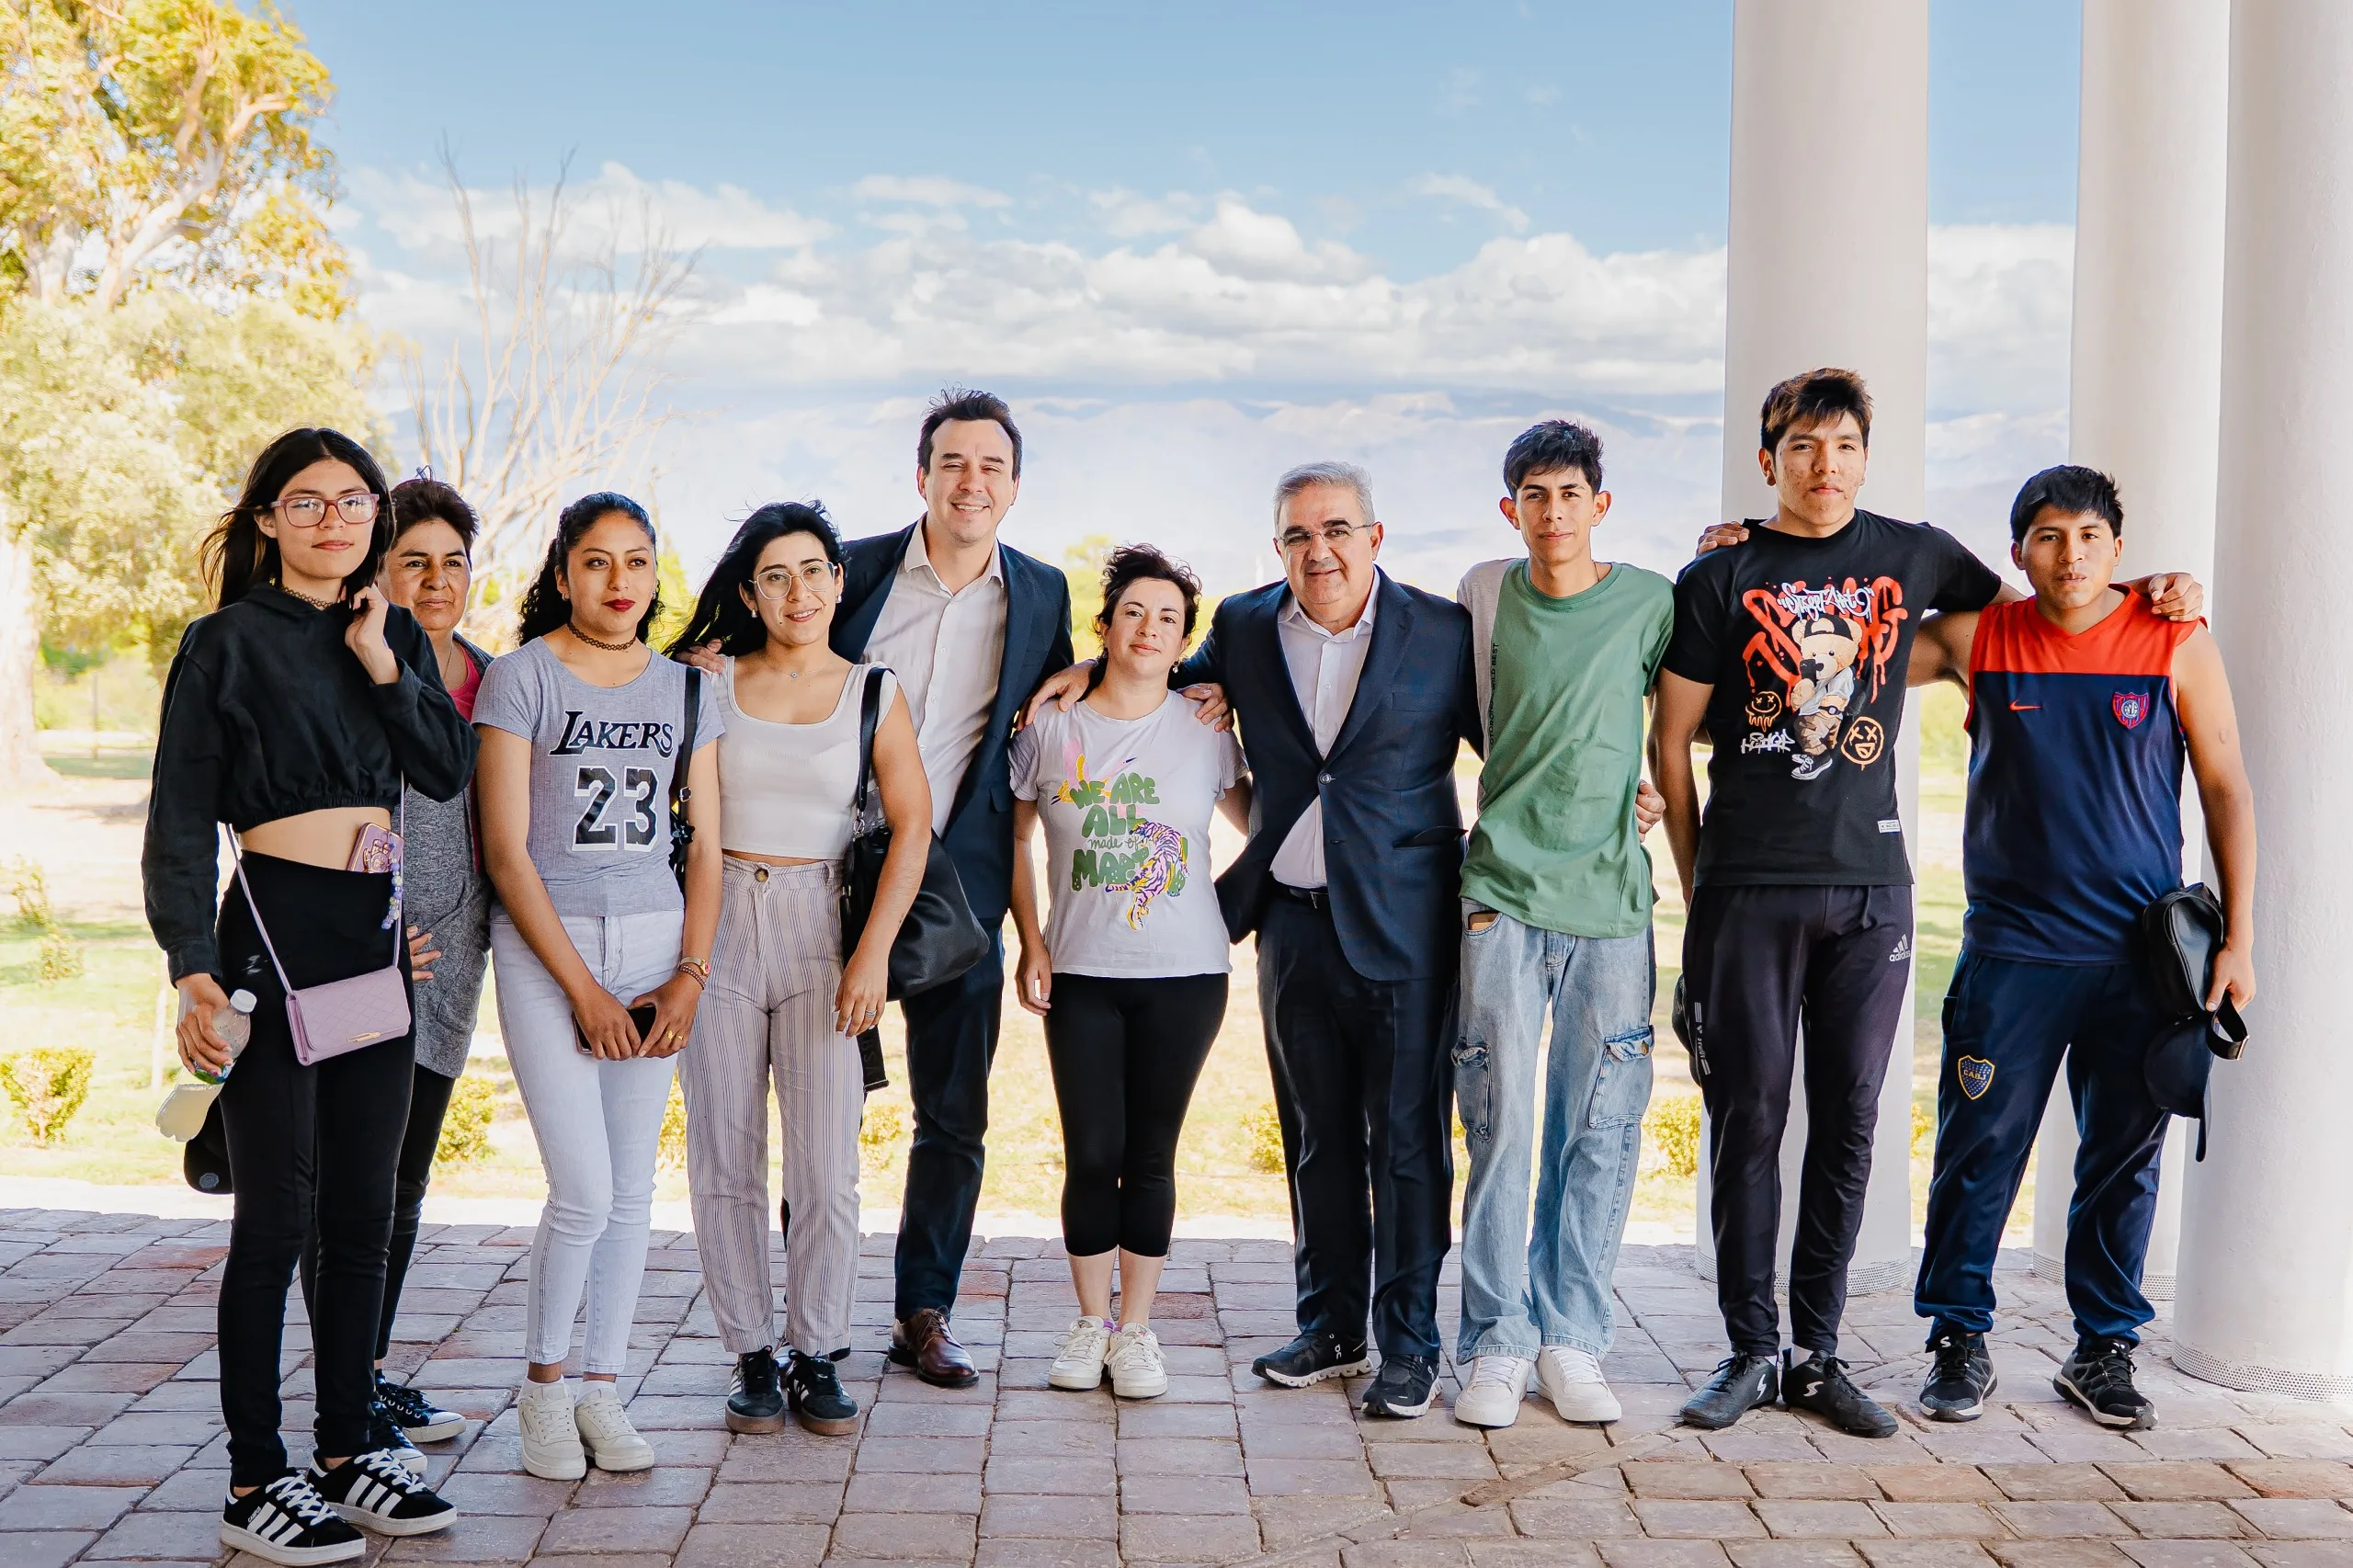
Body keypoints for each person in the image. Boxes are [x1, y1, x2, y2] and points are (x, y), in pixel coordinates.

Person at [1651, 368, 2204, 1438]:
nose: (1824, 464)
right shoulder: (1718, 575)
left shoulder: (1917, 554)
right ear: (1768, 460)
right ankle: (1750, 1349)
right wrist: (1696, 884)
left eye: (1843, 445)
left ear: (1866, 456)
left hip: (1873, 891)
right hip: (1746, 887)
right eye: (1801, 446)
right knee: (1748, 1120)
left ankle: (1817, 1354)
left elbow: (2049, 608)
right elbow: (1669, 740)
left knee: (1852, 1123)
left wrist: (2146, 590)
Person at [684, 388, 1073, 1387]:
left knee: (954, 1114)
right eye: (953, 462)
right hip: (823, 884)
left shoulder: (1043, 592)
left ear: (1015, 485)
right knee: (818, 1115)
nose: (971, 481)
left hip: (955, 889)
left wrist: (1115, 674)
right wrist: (702, 660)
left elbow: (1058, 696)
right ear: (922, 476)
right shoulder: (845, 569)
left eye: (991, 466)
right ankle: (801, 1323)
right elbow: (769, 639)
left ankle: (922, 1310)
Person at [146, 427, 471, 1564]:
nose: (333, 520)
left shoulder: (393, 633)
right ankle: (254, 1477)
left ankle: (345, 1447)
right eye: (306, 501)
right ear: (267, 519)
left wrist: (384, 658)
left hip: (371, 943)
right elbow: (178, 816)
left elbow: (444, 768)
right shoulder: (224, 643)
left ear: (375, 514)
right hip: (270, 939)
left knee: (362, 1214)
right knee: (275, 1217)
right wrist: (193, 969)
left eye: (353, 501)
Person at [1904, 465, 2255, 1431]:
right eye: (2049, 537)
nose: (2071, 555)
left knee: (2122, 1162)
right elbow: (1858, 639)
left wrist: (2240, 938)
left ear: (2118, 547)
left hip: (2141, 960)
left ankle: (2103, 1346)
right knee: (1979, 1150)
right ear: (2018, 551)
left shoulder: (2176, 639)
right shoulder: (1980, 638)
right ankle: (1957, 1337)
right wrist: (1759, 553)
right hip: (2013, 953)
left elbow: (2226, 787)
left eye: (2090, 536)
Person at [474, 493, 723, 1480]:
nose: (619, 581)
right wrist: (582, 991)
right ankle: (543, 1389)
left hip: (657, 945)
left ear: (657, 573)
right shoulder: (521, 677)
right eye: (596, 561)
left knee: (630, 1193)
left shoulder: (688, 690)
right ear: (563, 573)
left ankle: (603, 1388)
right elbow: (506, 852)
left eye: (636, 561)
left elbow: (706, 845)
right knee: (581, 1189)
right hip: (551, 948)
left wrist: (690, 976)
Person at [667, 503, 929, 1437]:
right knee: (724, 1152)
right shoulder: (708, 684)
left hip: (825, 924)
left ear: (838, 581)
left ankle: (816, 1349)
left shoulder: (873, 690)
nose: (799, 591)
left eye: (814, 570)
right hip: (722, 916)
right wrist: (692, 961)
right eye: (775, 576)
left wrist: (872, 954)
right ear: (749, 593)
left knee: (825, 1163)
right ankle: (750, 1350)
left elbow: (912, 826)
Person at [1449, 422, 1675, 1430]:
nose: (1552, 513)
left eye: (1569, 494)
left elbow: (1690, 709)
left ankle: (1571, 1338)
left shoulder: (1650, 601)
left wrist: (1651, 786)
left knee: (1599, 1128)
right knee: (1499, 1126)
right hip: (1502, 893)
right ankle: (1496, 1343)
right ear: (1511, 510)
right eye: (1533, 495)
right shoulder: (1483, 593)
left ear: (1599, 505)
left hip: (1611, 906)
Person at [1008, 546, 1251, 1401]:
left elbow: (1263, 822)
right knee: (1091, 1152)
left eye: (1169, 618)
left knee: (1151, 1155)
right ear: (1104, 626)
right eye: (1134, 612)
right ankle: (1090, 1324)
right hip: (1080, 972)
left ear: (1184, 641)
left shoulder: (1206, 729)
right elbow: (1016, 838)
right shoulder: (1051, 725)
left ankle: (1137, 1329)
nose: (1150, 629)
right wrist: (1031, 940)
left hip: (1187, 975)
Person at [297, 475, 492, 1458]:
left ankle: (366, 1372)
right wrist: (363, 933)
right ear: (380, 572)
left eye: (453, 562)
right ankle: (346, 1393)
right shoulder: (345, 665)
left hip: (452, 955)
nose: (436, 580)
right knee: (347, 1185)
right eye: (414, 561)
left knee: (405, 1181)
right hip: (363, 952)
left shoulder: (492, 679)